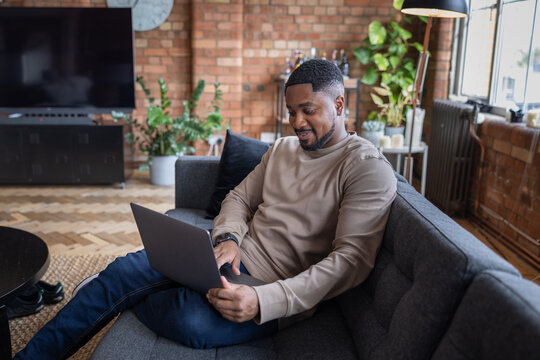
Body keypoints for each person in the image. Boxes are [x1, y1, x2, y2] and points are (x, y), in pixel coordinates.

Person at [15, 59, 397, 359]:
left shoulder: (365, 167)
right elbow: (238, 198)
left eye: (308, 110)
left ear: (340, 103)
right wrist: (229, 238)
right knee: (123, 270)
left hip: (271, 287)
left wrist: (264, 301)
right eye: (291, 111)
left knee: (188, 320)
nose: (297, 122)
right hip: (223, 259)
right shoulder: (282, 150)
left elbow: (350, 261)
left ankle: (111, 293)